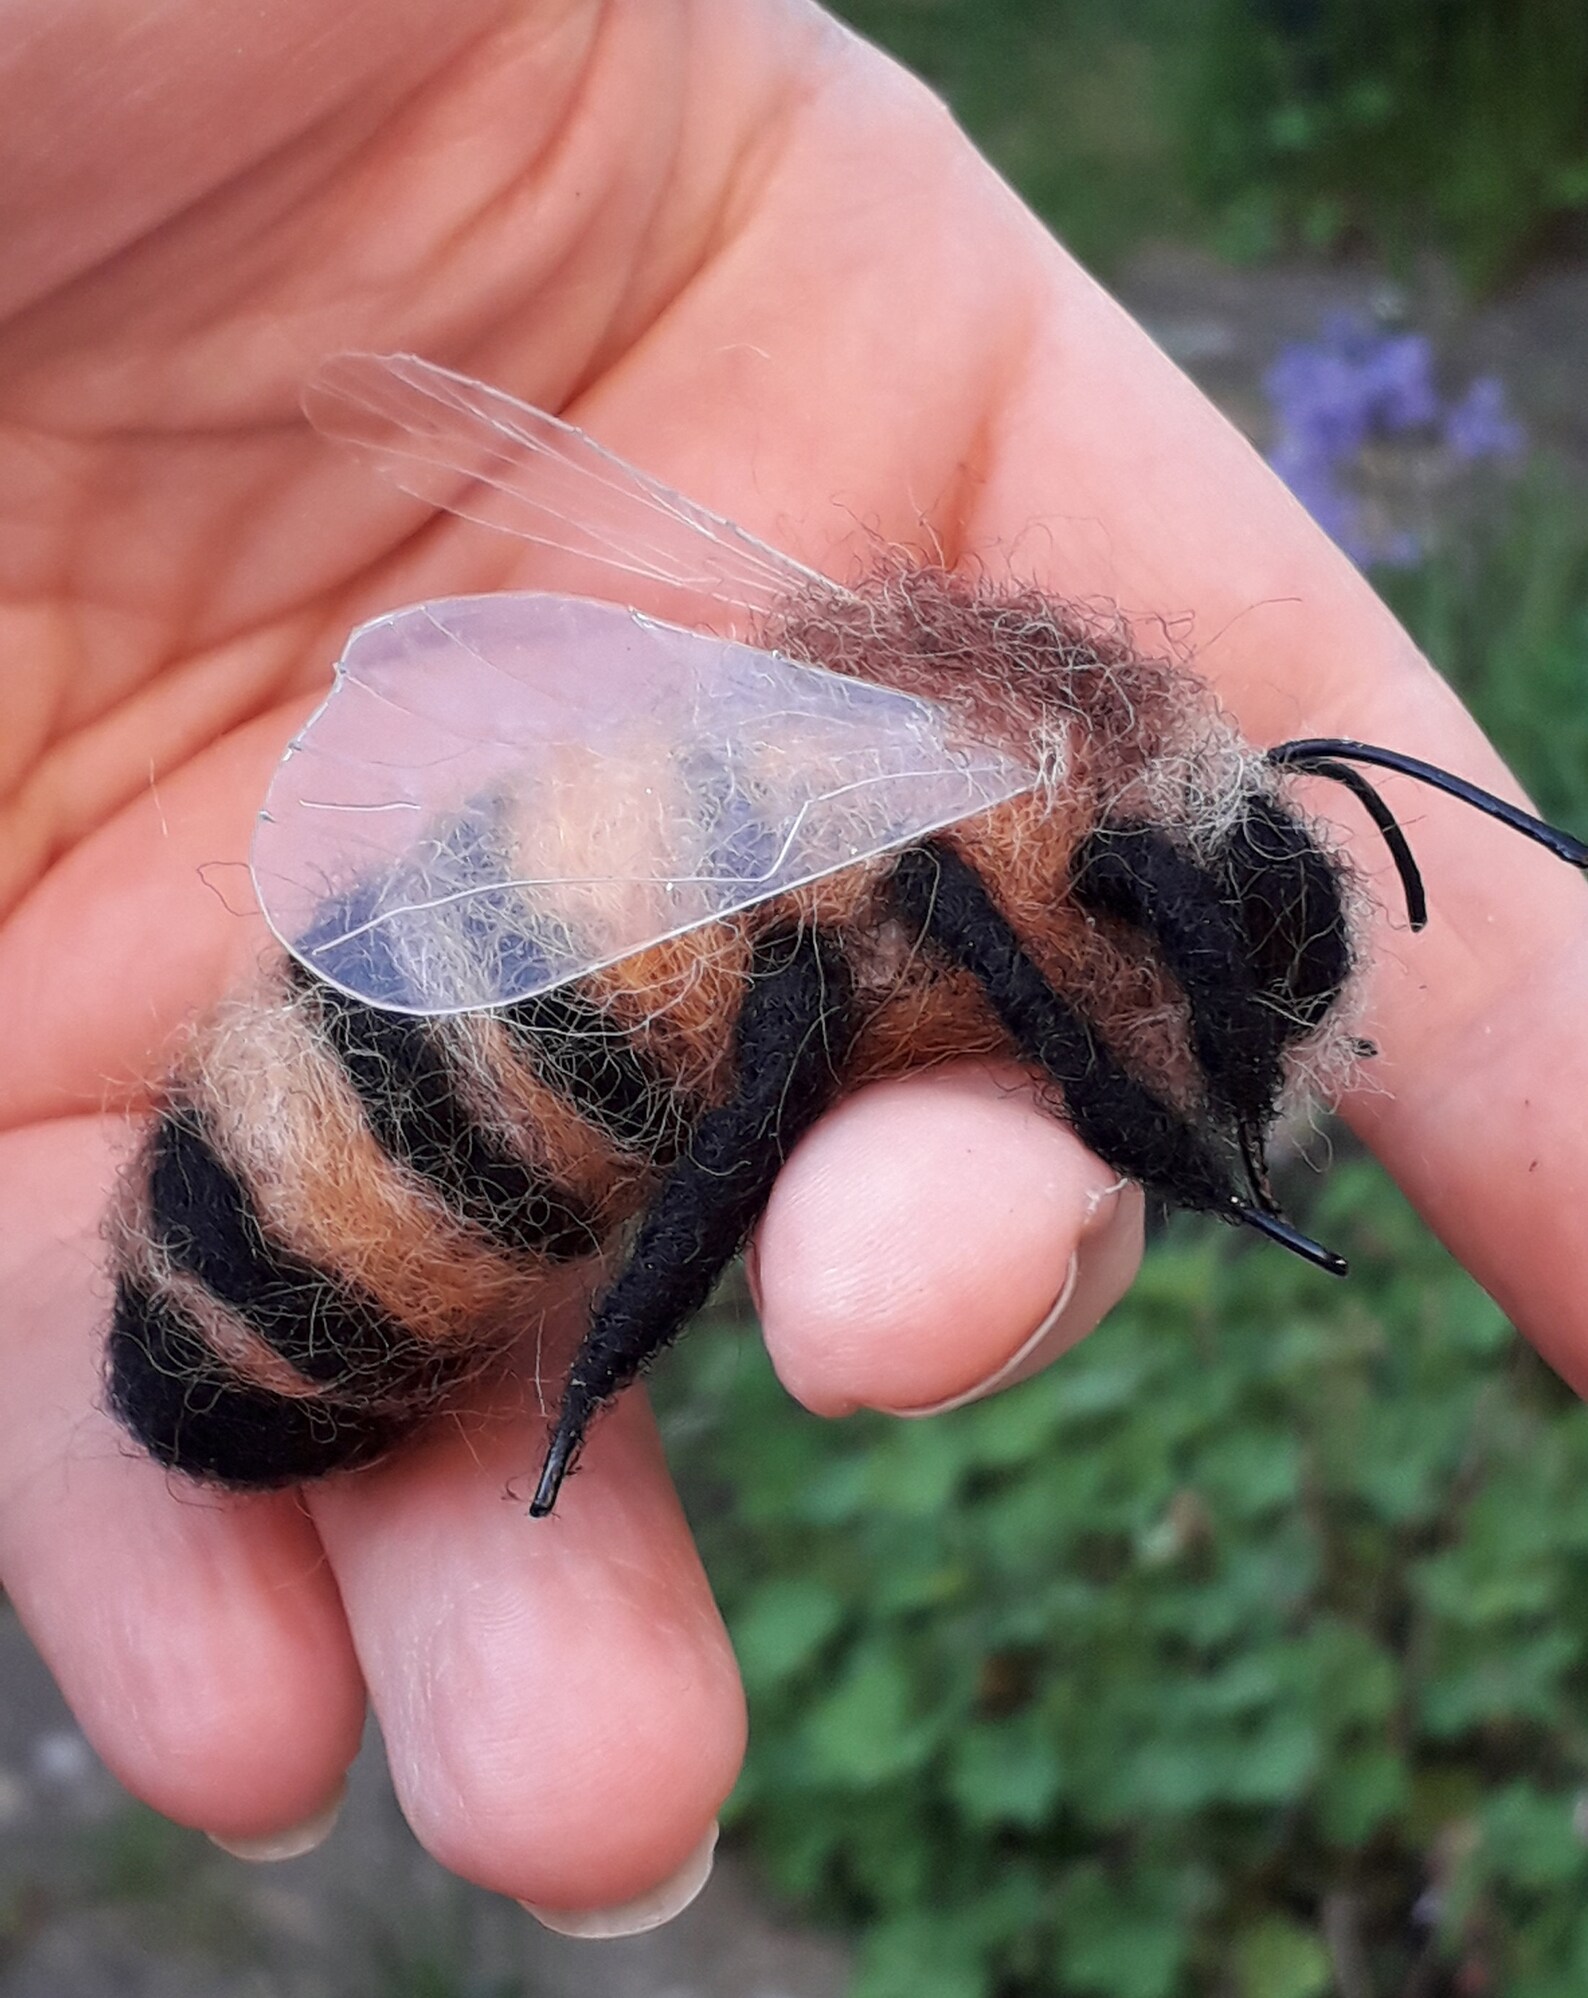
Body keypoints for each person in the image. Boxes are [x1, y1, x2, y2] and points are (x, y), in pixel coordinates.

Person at [1, 0, 1583, 1940]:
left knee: (798, 1024)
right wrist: (1217, 1157)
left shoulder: (948, 796)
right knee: (779, 1024)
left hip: (437, 1011)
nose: (1216, 958)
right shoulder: (974, 835)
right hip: (319, 1182)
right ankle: (553, 1382)